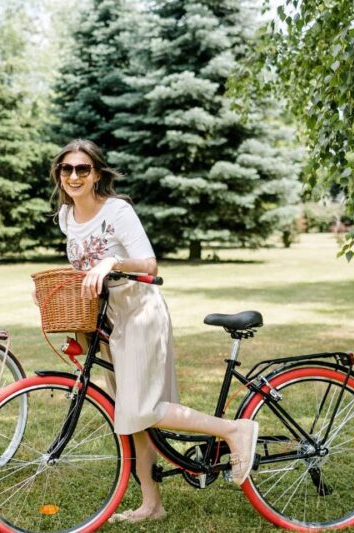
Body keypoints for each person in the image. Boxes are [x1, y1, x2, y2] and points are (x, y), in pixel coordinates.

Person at [49, 139, 259, 523]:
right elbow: (83, 273)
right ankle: (152, 504)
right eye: (67, 169)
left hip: (141, 312)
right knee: (130, 417)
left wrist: (113, 260)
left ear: (97, 173)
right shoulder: (67, 217)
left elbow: (149, 262)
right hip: (108, 321)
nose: (75, 176)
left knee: (143, 408)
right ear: (59, 175)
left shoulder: (117, 211)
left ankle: (235, 430)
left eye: (83, 169)